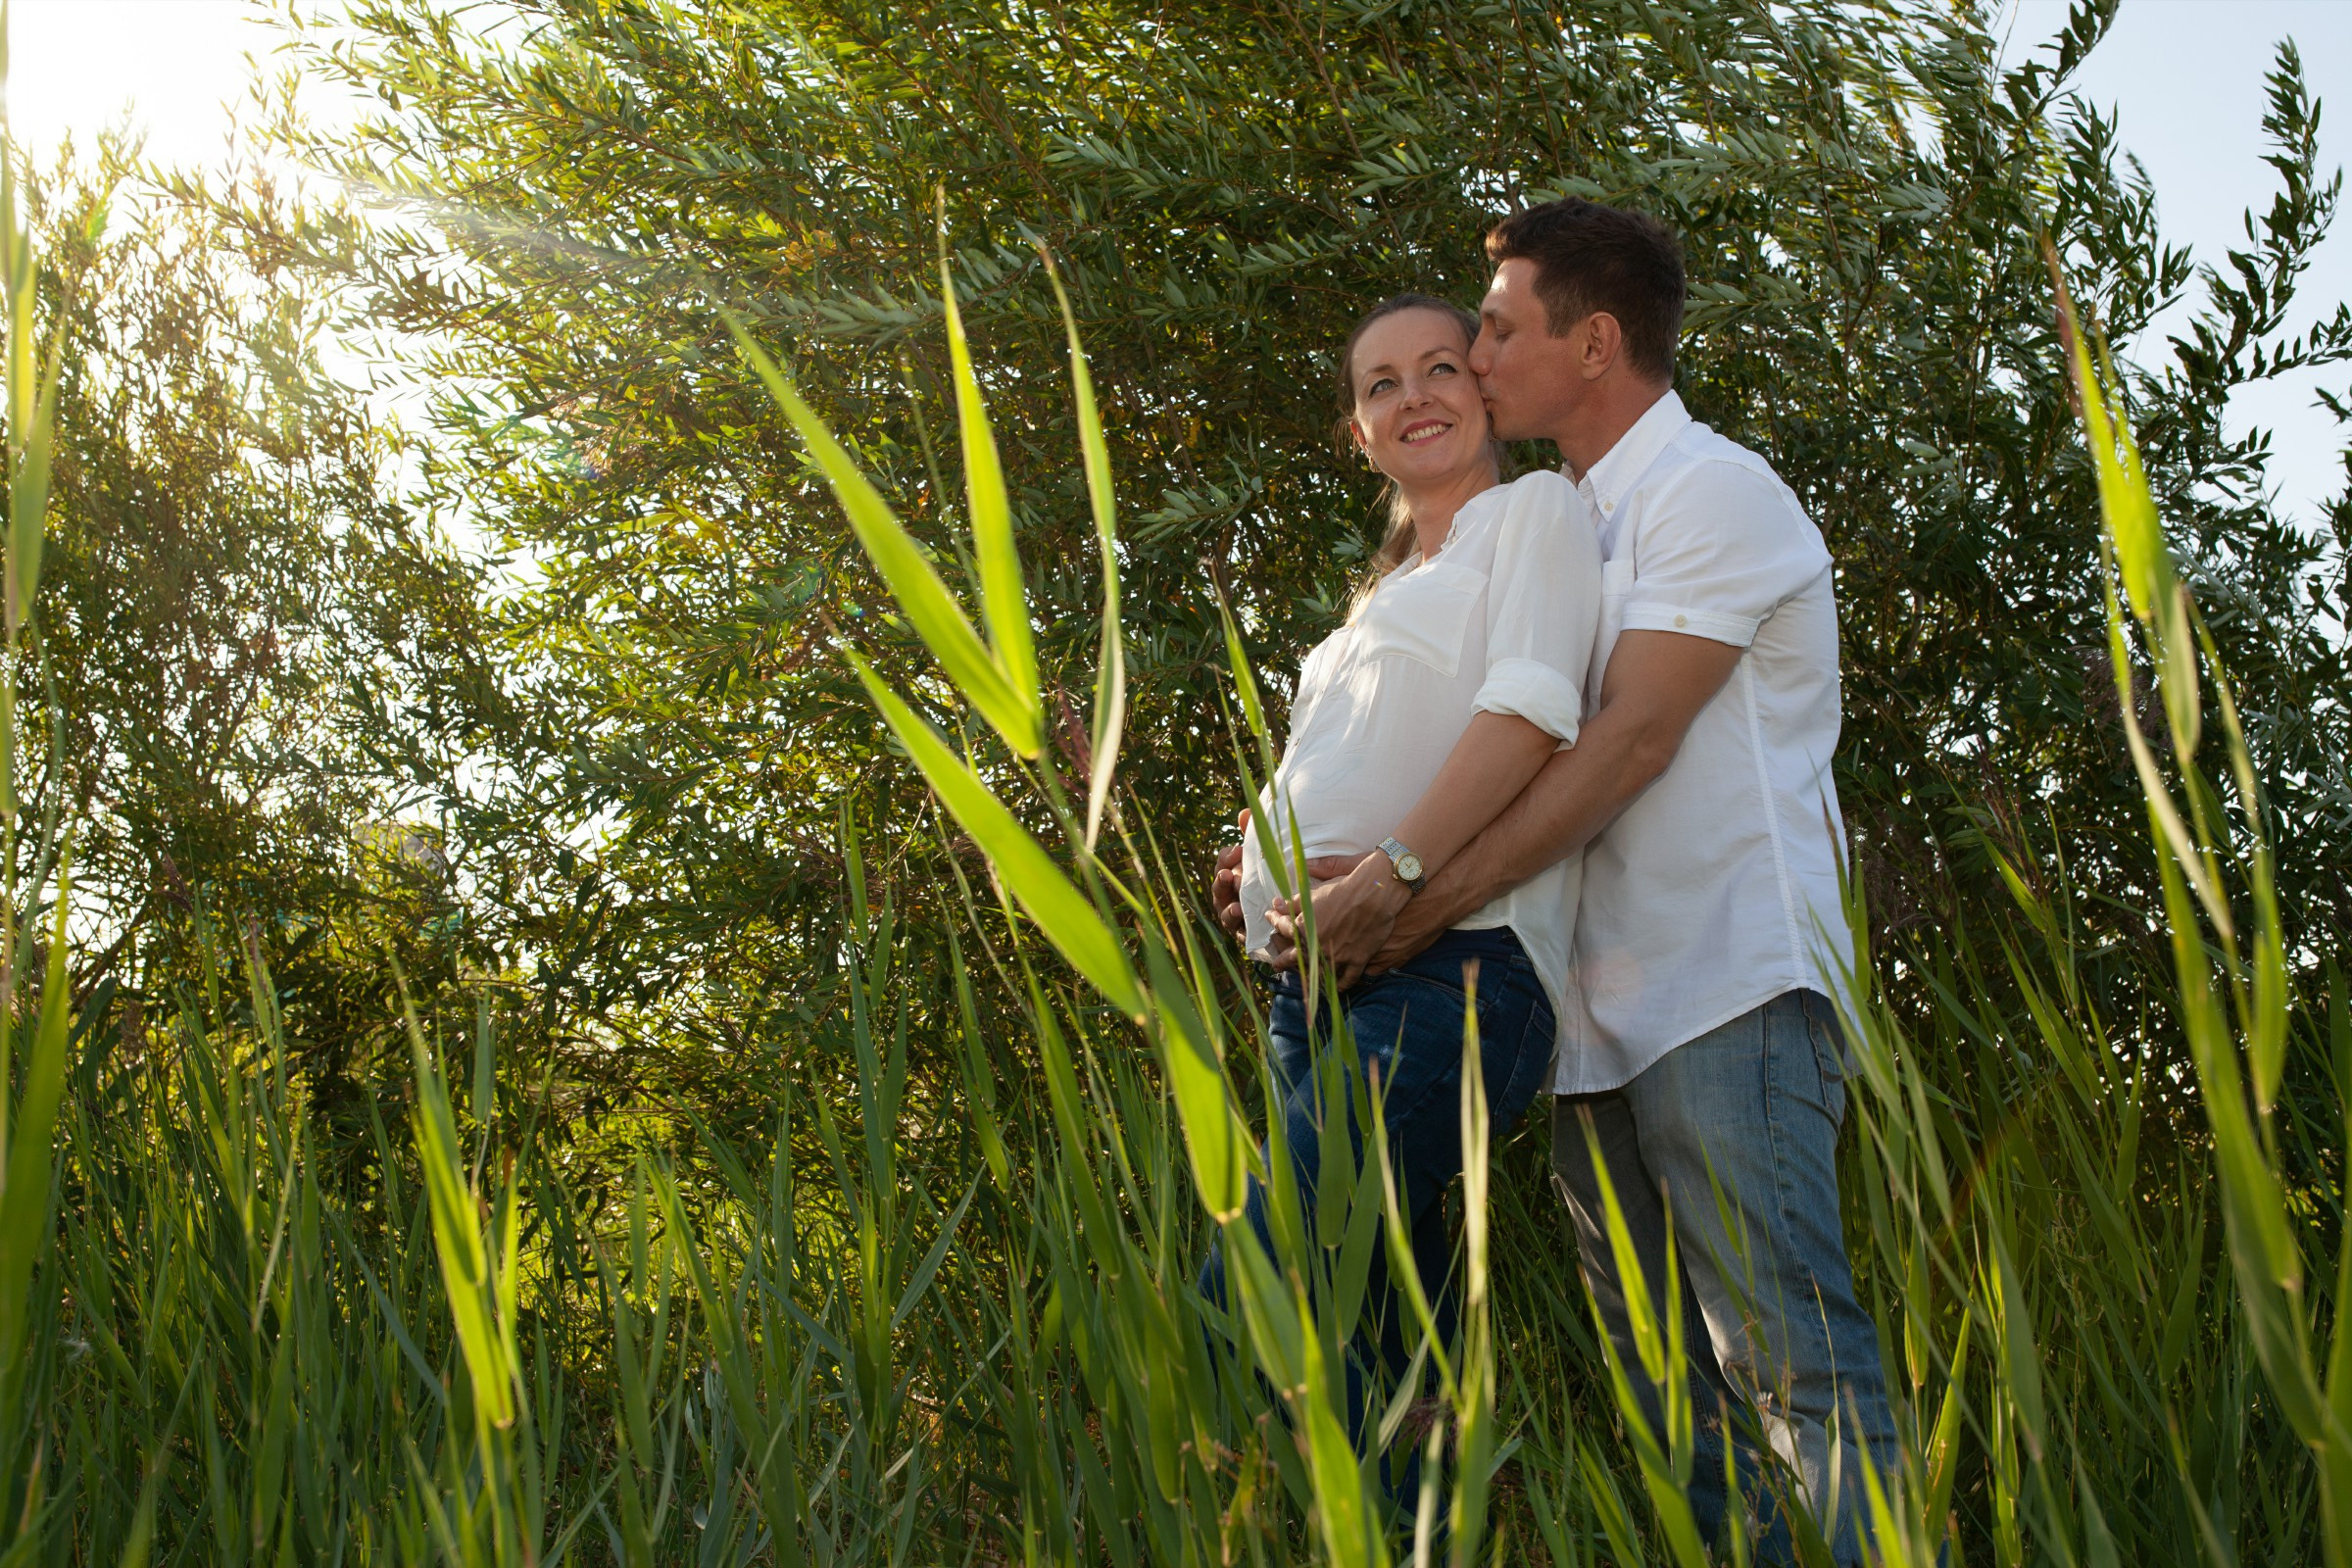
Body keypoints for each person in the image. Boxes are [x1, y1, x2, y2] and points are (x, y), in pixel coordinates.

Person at [1213, 200, 1896, 1566]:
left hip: (1723, 985)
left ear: (1593, 344)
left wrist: (1407, 894)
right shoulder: (1557, 518)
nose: (1475, 358)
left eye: (1495, 332)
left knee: (1787, 1357)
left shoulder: (1709, 491)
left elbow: (1626, 742)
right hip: (1590, 1018)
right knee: (1669, 1394)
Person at [1199, 292, 1602, 1477]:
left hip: (1457, 966)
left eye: (1440, 368)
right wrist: (1259, 863)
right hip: (1308, 986)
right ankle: (1422, 1507)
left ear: (1485, 394)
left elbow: (1532, 710)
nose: (1414, 394)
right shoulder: (1365, 611)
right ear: (1359, 432)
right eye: (1382, 384)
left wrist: (1388, 872)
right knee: (1375, 1357)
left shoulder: (1536, 514)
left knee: (1253, 1282)